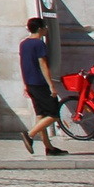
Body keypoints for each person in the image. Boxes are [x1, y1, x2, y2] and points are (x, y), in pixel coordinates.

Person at [21, 16, 70, 155]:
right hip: (40, 83)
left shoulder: (23, 44)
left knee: (41, 115)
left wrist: (25, 84)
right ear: (40, 28)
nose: (46, 29)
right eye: (45, 27)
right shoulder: (39, 44)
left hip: (30, 83)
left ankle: (49, 147)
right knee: (54, 114)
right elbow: (43, 65)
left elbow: (23, 64)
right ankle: (30, 134)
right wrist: (51, 86)